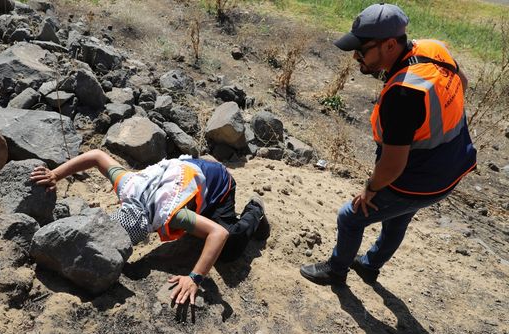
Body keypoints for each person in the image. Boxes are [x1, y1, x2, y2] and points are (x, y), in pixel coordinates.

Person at [300, 3, 477, 285]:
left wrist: (369, 189)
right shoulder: (433, 48)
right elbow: (462, 82)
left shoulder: (403, 95)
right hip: (453, 163)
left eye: (362, 50)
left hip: (420, 177)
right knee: (399, 216)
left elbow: (393, 165)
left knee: (351, 216)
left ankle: (336, 271)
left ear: (390, 45)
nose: (355, 57)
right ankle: (370, 266)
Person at [30, 149, 269, 303]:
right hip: (187, 176)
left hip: (218, 184)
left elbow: (219, 233)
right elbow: (96, 156)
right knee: (198, 234)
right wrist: (55, 174)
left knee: (229, 248)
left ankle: (255, 211)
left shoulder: (169, 214)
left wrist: (194, 278)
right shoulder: (127, 186)